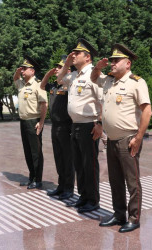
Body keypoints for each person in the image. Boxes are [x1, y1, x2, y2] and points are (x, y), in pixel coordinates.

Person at [91, 44, 152, 233]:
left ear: (127, 63)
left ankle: (134, 218)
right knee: (115, 180)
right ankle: (119, 214)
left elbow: (147, 111)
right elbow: (93, 78)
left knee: (132, 182)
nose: (112, 63)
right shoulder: (109, 81)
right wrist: (98, 67)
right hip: (112, 139)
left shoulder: (136, 82)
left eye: (116, 60)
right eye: (111, 60)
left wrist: (139, 138)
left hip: (128, 139)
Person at [57, 38, 103, 213]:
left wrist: (99, 123)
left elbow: (102, 100)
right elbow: (60, 79)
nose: (73, 55)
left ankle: (93, 200)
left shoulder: (94, 75)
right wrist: (67, 63)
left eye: (77, 54)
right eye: (73, 53)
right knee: (79, 164)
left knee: (89, 165)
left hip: (89, 125)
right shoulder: (74, 75)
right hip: (75, 125)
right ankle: (83, 197)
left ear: (88, 58)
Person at [40, 55, 75, 200]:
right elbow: (42, 86)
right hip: (55, 126)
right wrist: (48, 74)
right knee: (58, 158)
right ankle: (61, 186)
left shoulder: (69, 86)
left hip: (66, 127)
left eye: (60, 67)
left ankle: (68, 188)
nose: (57, 69)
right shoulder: (54, 86)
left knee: (68, 159)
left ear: (67, 70)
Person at [13, 56, 48, 189]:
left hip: (34, 121)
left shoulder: (38, 84)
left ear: (32, 71)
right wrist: (18, 71)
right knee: (27, 151)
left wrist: (42, 122)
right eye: (22, 69)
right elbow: (15, 79)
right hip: (23, 121)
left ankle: (38, 180)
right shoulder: (21, 84)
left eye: (25, 69)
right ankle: (31, 177)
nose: (22, 71)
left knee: (36, 152)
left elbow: (44, 104)